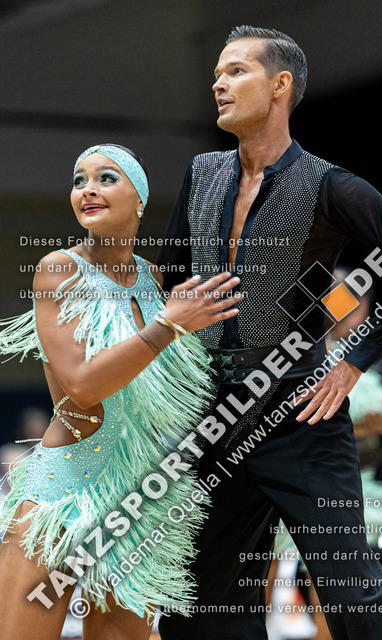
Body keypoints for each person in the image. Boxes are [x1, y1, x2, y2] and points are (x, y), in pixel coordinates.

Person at [156, 26, 382, 640]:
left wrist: (355, 359)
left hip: (298, 413)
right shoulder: (202, 172)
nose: (218, 84)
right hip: (211, 416)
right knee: (196, 607)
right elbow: (170, 279)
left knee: (354, 601)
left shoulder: (328, 184)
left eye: (235, 71)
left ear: (280, 85)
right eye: (216, 74)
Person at [0, 143, 241, 640]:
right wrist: (168, 327)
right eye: (79, 180)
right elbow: (82, 387)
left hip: (139, 500)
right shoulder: (59, 269)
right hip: (63, 491)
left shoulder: (158, 283)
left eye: (106, 178)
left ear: (140, 200)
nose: (87, 189)